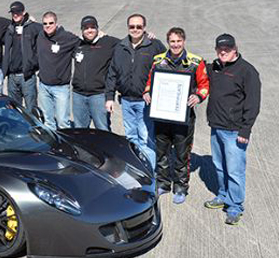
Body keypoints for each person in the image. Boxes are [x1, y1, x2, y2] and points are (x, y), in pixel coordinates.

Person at [143, 27, 209, 204]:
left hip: (184, 116)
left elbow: (204, 84)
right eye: (172, 41)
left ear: (184, 41)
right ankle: (163, 184)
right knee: (161, 151)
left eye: (179, 41)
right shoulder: (158, 60)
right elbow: (150, 81)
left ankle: (180, 187)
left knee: (182, 152)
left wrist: (198, 96)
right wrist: (147, 92)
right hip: (162, 114)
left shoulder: (195, 61)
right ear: (168, 42)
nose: (176, 45)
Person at [203, 34, 261, 225]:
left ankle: (235, 206)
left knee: (235, 171)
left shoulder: (247, 71)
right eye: (220, 49)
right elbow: (193, 64)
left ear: (235, 48)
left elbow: (253, 103)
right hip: (216, 127)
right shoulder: (215, 68)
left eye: (227, 49)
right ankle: (222, 196)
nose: (223, 52)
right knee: (219, 167)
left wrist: (246, 130)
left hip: (234, 131)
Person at [106, 14, 166, 167]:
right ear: (128, 28)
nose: (135, 29)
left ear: (144, 28)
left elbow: (167, 67)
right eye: (132, 26)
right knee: (131, 137)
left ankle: (150, 173)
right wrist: (109, 97)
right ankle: (137, 170)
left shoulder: (154, 45)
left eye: (139, 26)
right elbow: (112, 73)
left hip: (145, 102)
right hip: (126, 100)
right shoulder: (120, 47)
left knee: (146, 138)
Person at [71, 15, 120, 131]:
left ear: (98, 29)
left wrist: (146, 36)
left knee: (102, 129)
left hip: (98, 95)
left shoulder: (108, 42)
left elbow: (130, 43)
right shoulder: (77, 44)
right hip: (78, 95)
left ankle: (105, 149)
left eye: (93, 27)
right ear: (82, 30)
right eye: (86, 28)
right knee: (80, 130)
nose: (89, 30)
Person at [36, 11, 80, 130]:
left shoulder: (67, 37)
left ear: (56, 24)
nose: (48, 26)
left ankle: (66, 145)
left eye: (51, 23)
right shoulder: (40, 35)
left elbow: (83, 42)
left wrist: (102, 36)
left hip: (60, 88)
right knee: (48, 122)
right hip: (43, 86)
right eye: (45, 23)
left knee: (62, 122)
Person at [2, 1, 42, 112]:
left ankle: (34, 129)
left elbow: (48, 32)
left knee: (31, 108)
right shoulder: (10, 28)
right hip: (12, 77)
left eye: (18, 12)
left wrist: (34, 62)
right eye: (13, 12)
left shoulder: (33, 27)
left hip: (27, 76)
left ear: (24, 12)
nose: (15, 15)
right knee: (15, 110)